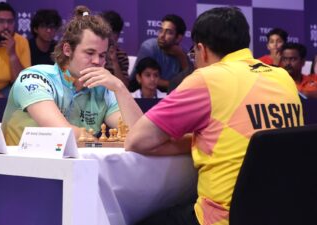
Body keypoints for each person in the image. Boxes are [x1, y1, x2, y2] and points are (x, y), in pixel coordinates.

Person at [125, 7, 303, 225]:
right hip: (283, 212)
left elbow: (136, 140)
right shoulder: (283, 78)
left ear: (202, 50)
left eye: (194, 54)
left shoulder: (207, 78)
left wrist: (194, 141)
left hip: (223, 218)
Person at [1, 10, 143, 146]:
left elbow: (141, 135)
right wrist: (102, 145)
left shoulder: (103, 90)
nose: (97, 61)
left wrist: (119, 87)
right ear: (67, 50)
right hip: (21, 169)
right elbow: (62, 134)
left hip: (72, 168)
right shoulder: (34, 78)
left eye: (102, 55)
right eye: (90, 52)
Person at [130, 14, 189, 91]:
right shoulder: (149, 47)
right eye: (161, 30)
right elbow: (147, 80)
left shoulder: (182, 52)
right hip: (141, 93)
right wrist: (176, 85)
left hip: (169, 95)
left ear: (178, 38)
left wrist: (181, 56)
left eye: (169, 32)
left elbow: (190, 80)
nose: (162, 35)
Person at [101, 10, 130, 87]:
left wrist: (114, 61)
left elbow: (124, 87)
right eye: (108, 32)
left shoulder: (122, 56)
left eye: (115, 33)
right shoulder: (92, 52)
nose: (110, 37)